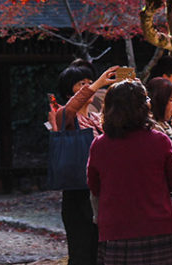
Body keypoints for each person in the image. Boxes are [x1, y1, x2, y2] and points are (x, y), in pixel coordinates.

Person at [88, 80, 172, 265]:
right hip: (157, 228)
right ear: (144, 107)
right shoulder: (161, 141)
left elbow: (94, 186)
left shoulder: (99, 145)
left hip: (116, 230)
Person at [49, 62, 119, 265]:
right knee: (81, 252)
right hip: (78, 193)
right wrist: (97, 84)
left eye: (89, 82)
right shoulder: (65, 115)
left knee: (101, 252)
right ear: (69, 89)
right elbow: (71, 108)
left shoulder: (99, 118)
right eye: (81, 83)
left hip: (102, 192)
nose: (88, 87)